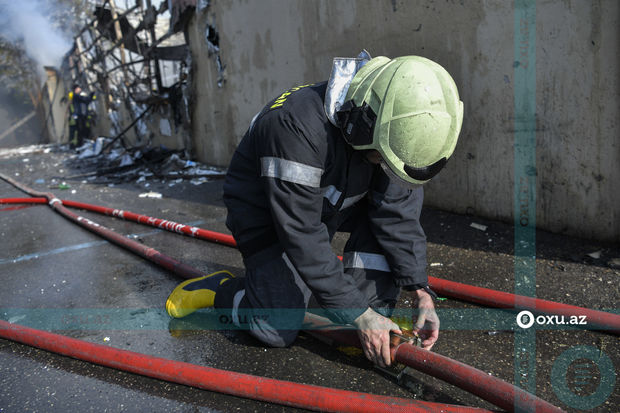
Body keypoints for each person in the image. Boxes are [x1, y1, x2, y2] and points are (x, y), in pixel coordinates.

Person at [166, 52, 463, 368]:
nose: (384, 166)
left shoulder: (390, 130)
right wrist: (357, 312)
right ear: (362, 126)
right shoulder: (294, 127)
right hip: (268, 214)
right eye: (381, 158)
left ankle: (364, 320)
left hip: (328, 203)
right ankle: (223, 291)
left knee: (364, 297)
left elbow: (398, 212)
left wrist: (420, 290)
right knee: (276, 328)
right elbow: (303, 234)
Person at [68, 84, 96, 149]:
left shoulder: (78, 96)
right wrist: (92, 94)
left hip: (82, 116)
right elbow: (86, 99)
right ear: (75, 89)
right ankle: (78, 145)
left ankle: (80, 144)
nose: (80, 89)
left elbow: (86, 101)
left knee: (84, 130)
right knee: (80, 131)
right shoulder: (76, 96)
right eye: (78, 88)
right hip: (79, 116)